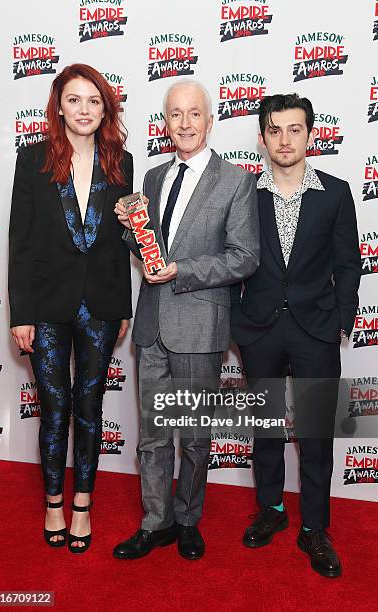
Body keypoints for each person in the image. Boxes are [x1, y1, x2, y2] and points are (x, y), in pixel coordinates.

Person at [112, 79, 259, 560]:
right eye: (176, 114)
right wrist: (131, 230)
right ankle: (157, 523)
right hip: (152, 325)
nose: (185, 123)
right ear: (166, 122)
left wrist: (184, 271)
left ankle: (189, 518)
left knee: (195, 438)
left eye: (194, 113)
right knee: (153, 437)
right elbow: (149, 251)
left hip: (200, 327)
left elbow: (244, 257)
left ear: (209, 120)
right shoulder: (152, 178)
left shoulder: (235, 181)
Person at [231, 93, 361, 577]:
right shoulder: (244, 193)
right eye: (275, 130)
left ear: (310, 133)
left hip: (317, 330)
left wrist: (342, 319)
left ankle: (315, 528)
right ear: (262, 136)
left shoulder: (337, 192)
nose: (284, 139)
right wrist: (236, 323)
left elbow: (349, 263)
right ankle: (271, 509)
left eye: (294, 129)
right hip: (259, 328)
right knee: (264, 428)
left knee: (315, 434)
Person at [8, 63, 133, 553]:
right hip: (46, 306)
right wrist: (20, 314)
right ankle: (54, 502)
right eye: (75, 100)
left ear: (106, 109)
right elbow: (19, 243)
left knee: (89, 406)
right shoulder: (33, 159)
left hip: (101, 305)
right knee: (55, 409)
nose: (84, 110)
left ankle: (84, 502)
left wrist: (122, 305)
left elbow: (127, 239)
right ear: (58, 105)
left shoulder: (119, 160)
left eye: (94, 101)